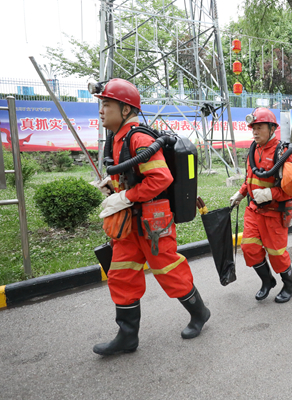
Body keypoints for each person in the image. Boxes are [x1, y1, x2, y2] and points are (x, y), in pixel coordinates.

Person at [91, 78, 210, 356]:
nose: (101, 110)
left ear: (125, 110)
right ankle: (127, 336)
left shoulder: (139, 139)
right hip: (128, 223)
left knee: (168, 271)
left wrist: (125, 197)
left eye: (107, 104)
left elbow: (160, 178)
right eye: (101, 104)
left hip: (152, 221)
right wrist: (113, 189)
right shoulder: (116, 138)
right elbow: (130, 176)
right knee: (121, 274)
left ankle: (200, 313)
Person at [229, 107, 292, 303]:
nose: (255, 132)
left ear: (272, 128)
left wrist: (270, 193)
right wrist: (241, 193)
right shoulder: (254, 150)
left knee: (276, 254)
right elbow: (251, 179)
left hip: (274, 213)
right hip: (254, 211)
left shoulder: (283, 154)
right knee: (249, 248)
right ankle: (267, 281)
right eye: (253, 128)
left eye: (259, 127)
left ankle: (289, 286)